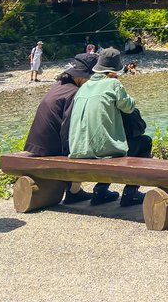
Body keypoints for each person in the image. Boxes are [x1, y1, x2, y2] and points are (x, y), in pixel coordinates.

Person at [68, 47, 153, 208]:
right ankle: (131, 193)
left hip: (77, 151)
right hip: (101, 153)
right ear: (115, 70)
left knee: (105, 144)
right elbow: (129, 107)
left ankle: (101, 191)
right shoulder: (113, 83)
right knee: (144, 142)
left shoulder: (83, 87)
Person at [24, 52, 100, 203]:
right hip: (50, 148)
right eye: (91, 77)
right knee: (84, 150)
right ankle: (74, 192)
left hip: (37, 144)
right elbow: (68, 128)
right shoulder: (74, 93)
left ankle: (74, 190)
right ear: (82, 76)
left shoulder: (60, 85)